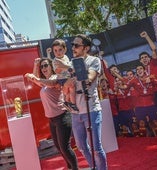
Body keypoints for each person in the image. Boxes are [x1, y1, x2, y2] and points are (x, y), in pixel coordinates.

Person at [25, 58, 78, 170]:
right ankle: (70, 167)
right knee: (59, 148)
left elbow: (51, 83)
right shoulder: (44, 83)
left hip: (62, 117)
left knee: (65, 147)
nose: (43, 68)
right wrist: (35, 65)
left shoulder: (55, 78)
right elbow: (36, 80)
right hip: (52, 120)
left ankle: (75, 168)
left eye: (45, 65)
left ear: (51, 66)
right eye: (42, 67)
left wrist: (36, 77)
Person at [70, 34, 108, 170]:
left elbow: (90, 78)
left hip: (91, 108)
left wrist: (77, 68)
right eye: (72, 45)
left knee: (96, 148)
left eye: (76, 45)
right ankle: (94, 168)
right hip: (75, 112)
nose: (73, 48)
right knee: (80, 146)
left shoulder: (94, 60)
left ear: (85, 48)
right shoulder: (71, 62)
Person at [47, 39, 79, 112]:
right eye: (55, 50)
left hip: (68, 77)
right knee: (72, 87)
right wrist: (64, 67)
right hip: (62, 79)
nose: (58, 52)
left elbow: (68, 67)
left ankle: (67, 102)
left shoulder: (66, 57)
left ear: (65, 49)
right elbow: (57, 71)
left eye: (60, 50)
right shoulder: (55, 60)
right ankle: (72, 103)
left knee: (69, 91)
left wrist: (64, 66)